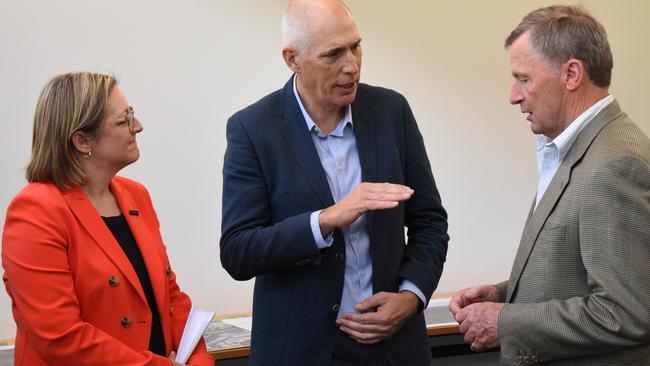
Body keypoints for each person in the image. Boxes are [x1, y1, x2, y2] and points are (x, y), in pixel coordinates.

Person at [220, 0, 449, 365]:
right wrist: (325, 219)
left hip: (395, 346)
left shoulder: (392, 112)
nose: (352, 66)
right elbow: (238, 251)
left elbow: (430, 223)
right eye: (333, 55)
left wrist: (410, 297)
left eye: (356, 47)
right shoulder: (253, 130)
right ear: (292, 59)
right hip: (302, 351)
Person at [449, 5, 650, 366]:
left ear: (572, 74)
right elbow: (574, 274)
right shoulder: (578, 150)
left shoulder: (615, 163)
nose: (514, 95)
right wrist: (504, 294)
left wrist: (503, 321)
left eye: (524, 79)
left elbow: (626, 313)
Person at [1, 72, 214, 366]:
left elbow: (170, 297)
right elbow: (60, 337)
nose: (137, 127)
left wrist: (200, 358)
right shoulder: (36, 210)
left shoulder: (135, 195)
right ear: (82, 140)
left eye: (132, 116)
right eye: (123, 120)